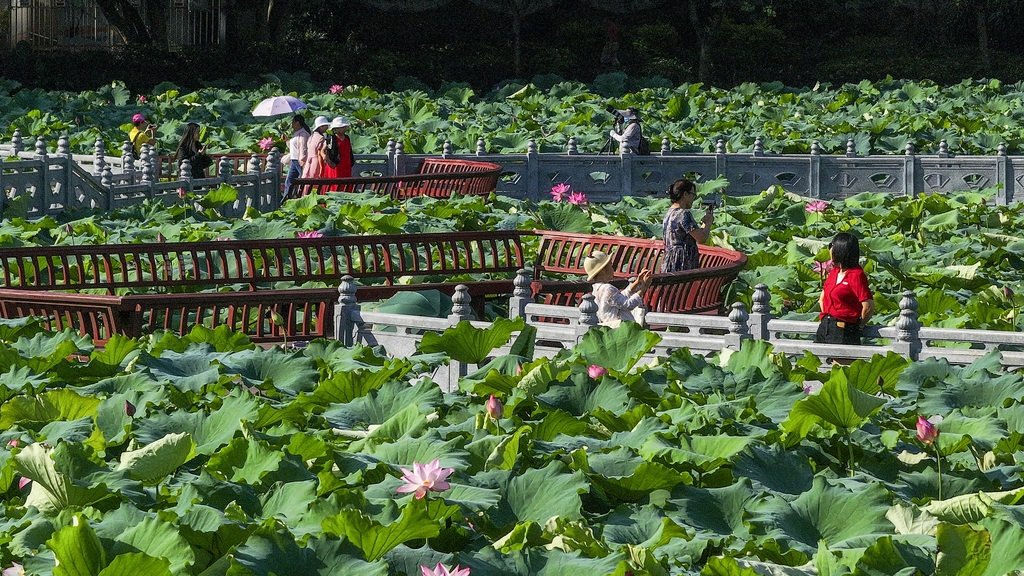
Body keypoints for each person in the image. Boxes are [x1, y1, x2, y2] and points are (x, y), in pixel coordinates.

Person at [815, 232, 875, 345]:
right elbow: (822, 298)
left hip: (844, 328)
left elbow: (869, 307)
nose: (830, 249)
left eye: (831, 246)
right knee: (818, 361)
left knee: (840, 363)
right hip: (825, 326)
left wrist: (857, 325)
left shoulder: (856, 275)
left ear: (840, 249)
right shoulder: (834, 272)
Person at [584, 250, 653, 328]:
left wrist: (637, 282)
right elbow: (628, 305)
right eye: (610, 265)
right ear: (602, 270)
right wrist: (643, 288)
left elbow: (620, 299)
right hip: (620, 328)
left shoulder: (596, 288)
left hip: (608, 327)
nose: (613, 269)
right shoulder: (608, 288)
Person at [662, 178, 713, 272]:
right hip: (683, 263)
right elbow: (701, 238)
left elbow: (693, 234)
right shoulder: (683, 214)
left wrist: (704, 224)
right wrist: (709, 223)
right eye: (693, 195)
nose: (694, 199)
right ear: (685, 194)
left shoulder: (669, 213)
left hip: (669, 261)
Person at [299, 116, 331, 195]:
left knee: (308, 180)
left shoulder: (311, 136)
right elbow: (320, 153)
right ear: (321, 127)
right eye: (325, 126)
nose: (327, 128)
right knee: (317, 180)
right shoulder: (321, 138)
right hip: (317, 161)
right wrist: (321, 166)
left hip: (309, 161)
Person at [283, 114, 311, 198]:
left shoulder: (303, 134)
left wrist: (303, 160)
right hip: (294, 160)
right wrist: (287, 140)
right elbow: (293, 148)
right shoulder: (296, 133)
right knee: (289, 180)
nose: (291, 124)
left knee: (304, 179)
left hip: (300, 161)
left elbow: (303, 148)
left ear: (297, 123)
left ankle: (304, 196)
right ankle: (286, 198)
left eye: (293, 122)